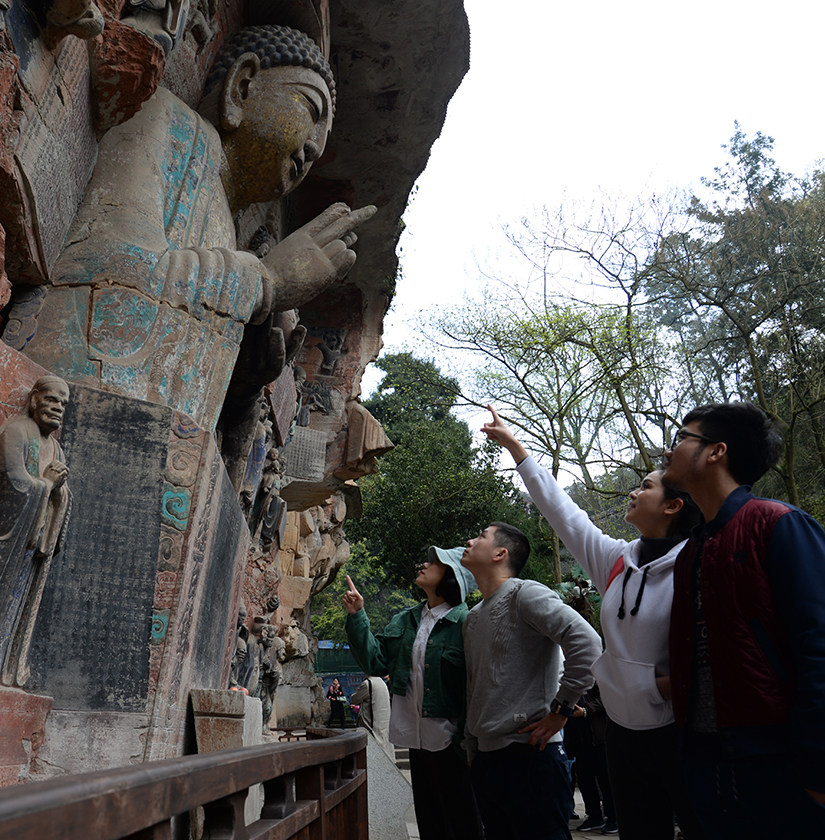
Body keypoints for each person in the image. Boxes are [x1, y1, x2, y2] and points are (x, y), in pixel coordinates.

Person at [19, 24, 376, 432]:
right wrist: (264, 282)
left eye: (322, 145)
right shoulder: (164, 122)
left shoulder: (230, 227)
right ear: (240, 88)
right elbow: (104, 275)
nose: (312, 147)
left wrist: (242, 385)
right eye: (309, 111)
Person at [481, 406, 705, 840]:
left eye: (646, 486)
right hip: (621, 733)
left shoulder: (697, 567)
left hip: (676, 733)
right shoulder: (616, 559)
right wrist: (515, 447)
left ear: (674, 506)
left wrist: (652, 687)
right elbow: (562, 511)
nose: (633, 492)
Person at [662, 401, 825, 839]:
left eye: (682, 438)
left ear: (716, 451)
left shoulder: (780, 524)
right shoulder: (690, 552)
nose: (669, 450)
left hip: (777, 763)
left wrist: (819, 769)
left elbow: (824, 650)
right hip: (705, 764)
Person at [460, 521, 602, 840]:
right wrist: (472, 748)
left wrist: (561, 710)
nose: (470, 540)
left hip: (533, 758)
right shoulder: (472, 618)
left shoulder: (525, 593)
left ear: (500, 553)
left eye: (480, 535)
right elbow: (475, 686)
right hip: (487, 761)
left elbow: (587, 642)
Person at [343, 546, 483, 840]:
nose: (424, 564)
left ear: (451, 576)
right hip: (416, 740)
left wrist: (467, 739)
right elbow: (376, 661)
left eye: (434, 562)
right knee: (429, 820)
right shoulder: (406, 620)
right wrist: (358, 616)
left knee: (463, 822)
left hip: (453, 742)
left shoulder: (467, 623)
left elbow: (479, 687)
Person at [0, 376, 72, 686]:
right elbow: (14, 481)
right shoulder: (17, 430)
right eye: (52, 400)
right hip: (11, 540)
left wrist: (57, 491)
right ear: (34, 400)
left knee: (18, 609)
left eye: (63, 404)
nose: (58, 408)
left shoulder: (55, 448)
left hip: (31, 548)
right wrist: (46, 484)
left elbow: (62, 494)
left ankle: (7, 664)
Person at [350, 675, 394, 760]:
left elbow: (354, 699)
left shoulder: (368, 684)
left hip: (371, 728)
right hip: (382, 726)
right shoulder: (382, 682)